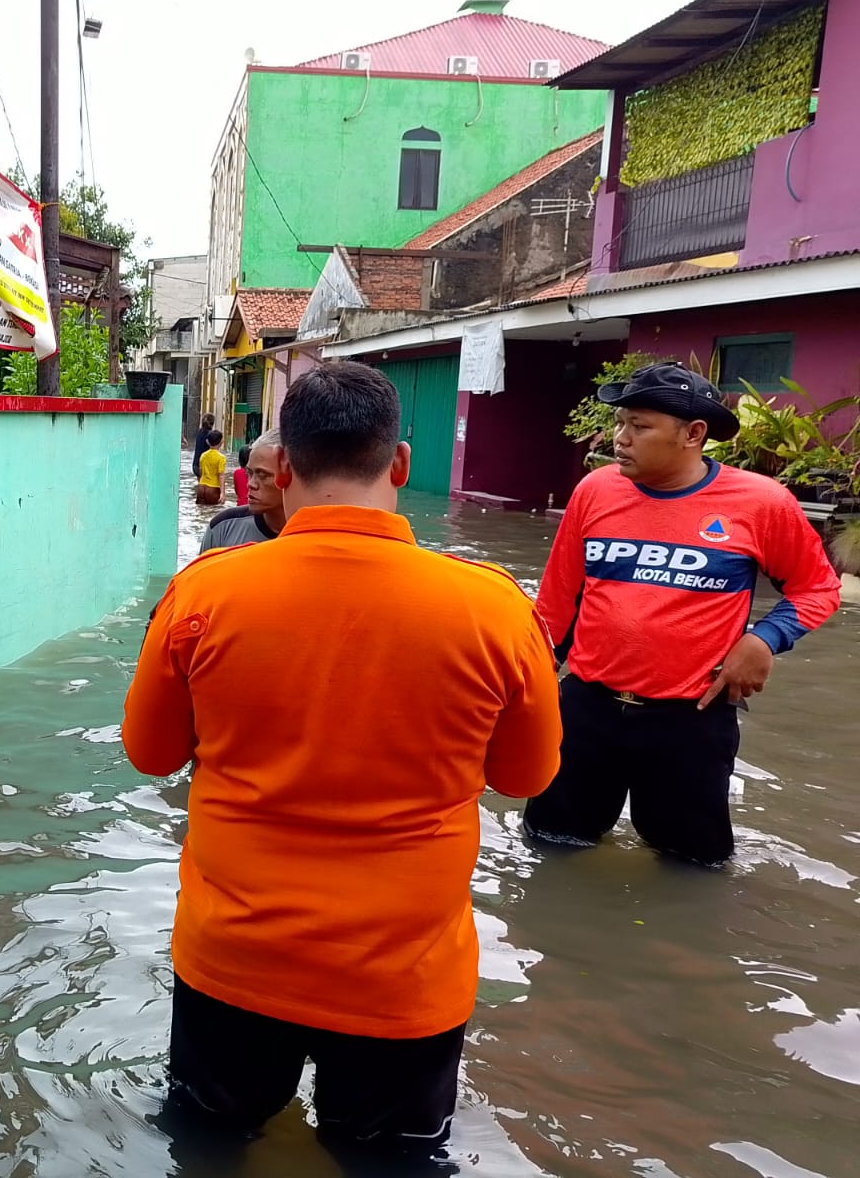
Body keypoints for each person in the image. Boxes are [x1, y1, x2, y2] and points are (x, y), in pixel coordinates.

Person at [124, 361, 561, 1164]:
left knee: (209, 1148)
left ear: (283, 467)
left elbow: (152, 756)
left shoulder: (204, 594)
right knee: (390, 1161)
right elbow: (526, 779)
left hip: (234, 959)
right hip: (403, 978)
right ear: (397, 464)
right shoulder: (495, 607)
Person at [528, 361, 841, 866]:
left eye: (639, 425)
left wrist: (763, 639)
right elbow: (558, 600)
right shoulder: (596, 491)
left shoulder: (761, 503)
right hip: (587, 709)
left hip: (691, 720)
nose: (620, 437)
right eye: (621, 422)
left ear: (694, 434)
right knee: (552, 844)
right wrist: (532, 681)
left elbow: (817, 588)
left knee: (690, 866)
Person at [198, 430, 285, 552]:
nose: (250, 484)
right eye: (249, 473)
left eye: (263, 475)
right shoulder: (222, 527)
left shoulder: (315, 535)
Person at [194, 429, 225, 506]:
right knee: (213, 513)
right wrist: (222, 493)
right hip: (213, 490)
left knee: (202, 513)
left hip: (201, 488)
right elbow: (221, 476)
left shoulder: (203, 455)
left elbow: (201, 473)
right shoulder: (221, 458)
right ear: (221, 442)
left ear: (208, 442)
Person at [191, 414, 217, 479]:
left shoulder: (199, 432)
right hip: (204, 467)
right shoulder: (210, 435)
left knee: (200, 486)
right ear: (212, 423)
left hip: (195, 466)